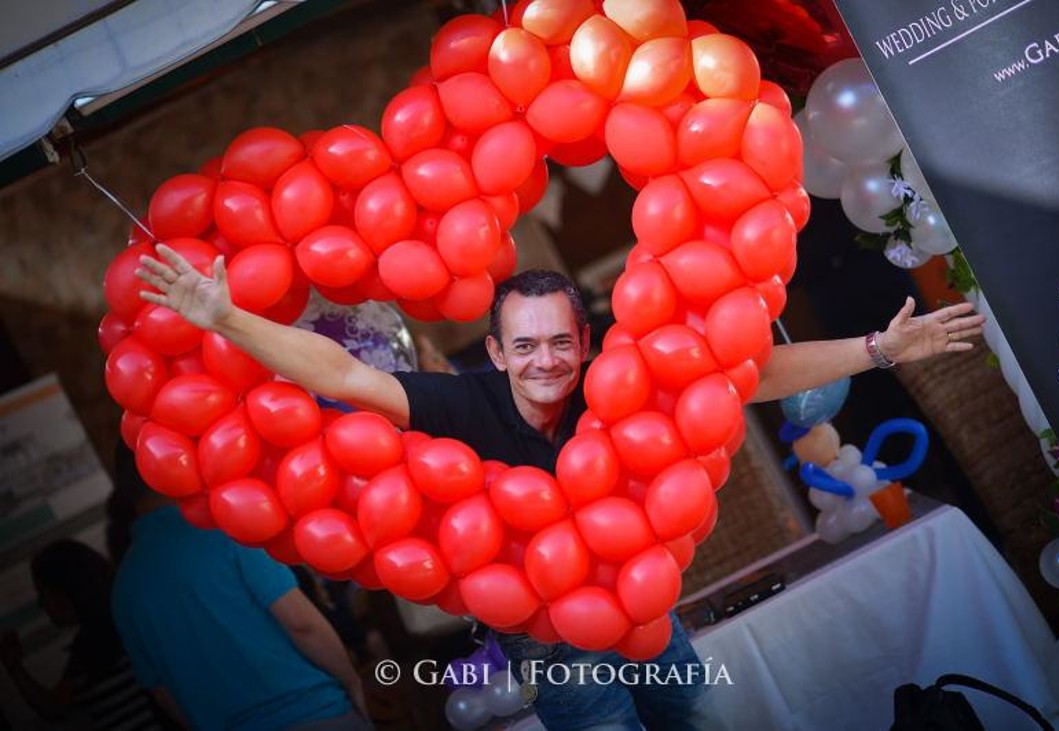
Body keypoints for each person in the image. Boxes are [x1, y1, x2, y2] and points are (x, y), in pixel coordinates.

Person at [135, 244, 985, 730]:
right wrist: (226, 319)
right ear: (497, 353)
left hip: (649, 615)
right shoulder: (457, 402)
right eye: (525, 347)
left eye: (561, 343)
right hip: (550, 642)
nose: (547, 362)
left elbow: (745, 372)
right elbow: (344, 374)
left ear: (583, 343)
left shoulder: (612, 379)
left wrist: (877, 350)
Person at [110, 443, 374, 730]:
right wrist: (351, 679)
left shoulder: (123, 589)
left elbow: (161, 690)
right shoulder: (224, 530)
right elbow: (301, 623)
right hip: (314, 712)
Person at [0, 540, 163, 731]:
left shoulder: (91, 646)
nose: (41, 605)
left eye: (43, 594)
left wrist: (15, 668)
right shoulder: (127, 617)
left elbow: (54, 708)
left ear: (65, 592)